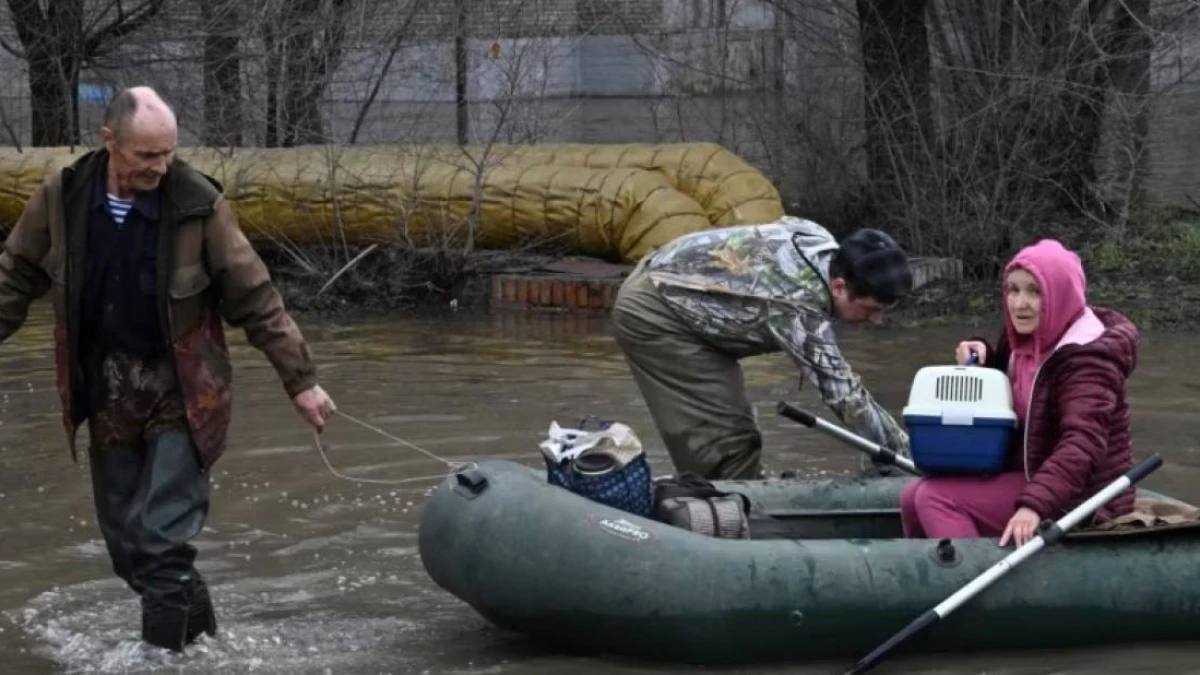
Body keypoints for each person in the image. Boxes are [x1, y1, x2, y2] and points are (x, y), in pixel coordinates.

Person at [0, 86, 337, 650]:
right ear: (110, 142)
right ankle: (205, 645)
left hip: (185, 389)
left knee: (160, 541)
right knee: (130, 551)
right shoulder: (63, 196)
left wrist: (301, 382)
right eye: (147, 155)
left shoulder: (198, 204)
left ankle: (159, 663)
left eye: (168, 152)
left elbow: (256, 296)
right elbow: (13, 277)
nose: (160, 166)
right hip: (107, 389)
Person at [611, 216, 914, 481]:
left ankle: (742, 487)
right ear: (838, 287)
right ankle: (729, 508)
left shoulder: (820, 241)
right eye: (871, 309)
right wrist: (908, 454)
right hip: (657, 312)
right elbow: (844, 395)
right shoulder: (798, 307)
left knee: (741, 424)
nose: (877, 320)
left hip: (679, 287)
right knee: (727, 440)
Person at [899, 239, 1138, 547]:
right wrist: (984, 357)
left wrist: (1034, 504)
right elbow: (1016, 389)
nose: (1019, 303)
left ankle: (973, 574)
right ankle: (926, 571)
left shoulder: (1088, 361)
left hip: (1082, 495)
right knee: (911, 497)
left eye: (1035, 291)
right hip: (1029, 471)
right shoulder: (1024, 337)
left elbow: (1083, 443)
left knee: (936, 498)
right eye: (1013, 290)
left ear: (1060, 295)